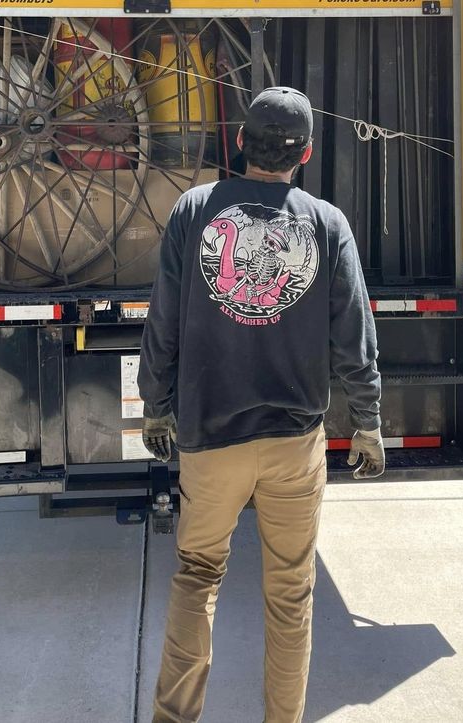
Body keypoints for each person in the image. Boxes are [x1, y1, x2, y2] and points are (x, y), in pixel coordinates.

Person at [138, 86, 384, 723]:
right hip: (293, 445)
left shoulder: (195, 210)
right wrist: (368, 422)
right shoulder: (327, 223)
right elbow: (354, 332)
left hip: (209, 435)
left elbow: (162, 321)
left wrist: (156, 402)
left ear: (240, 143)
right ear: (304, 153)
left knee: (196, 577)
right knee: (289, 594)